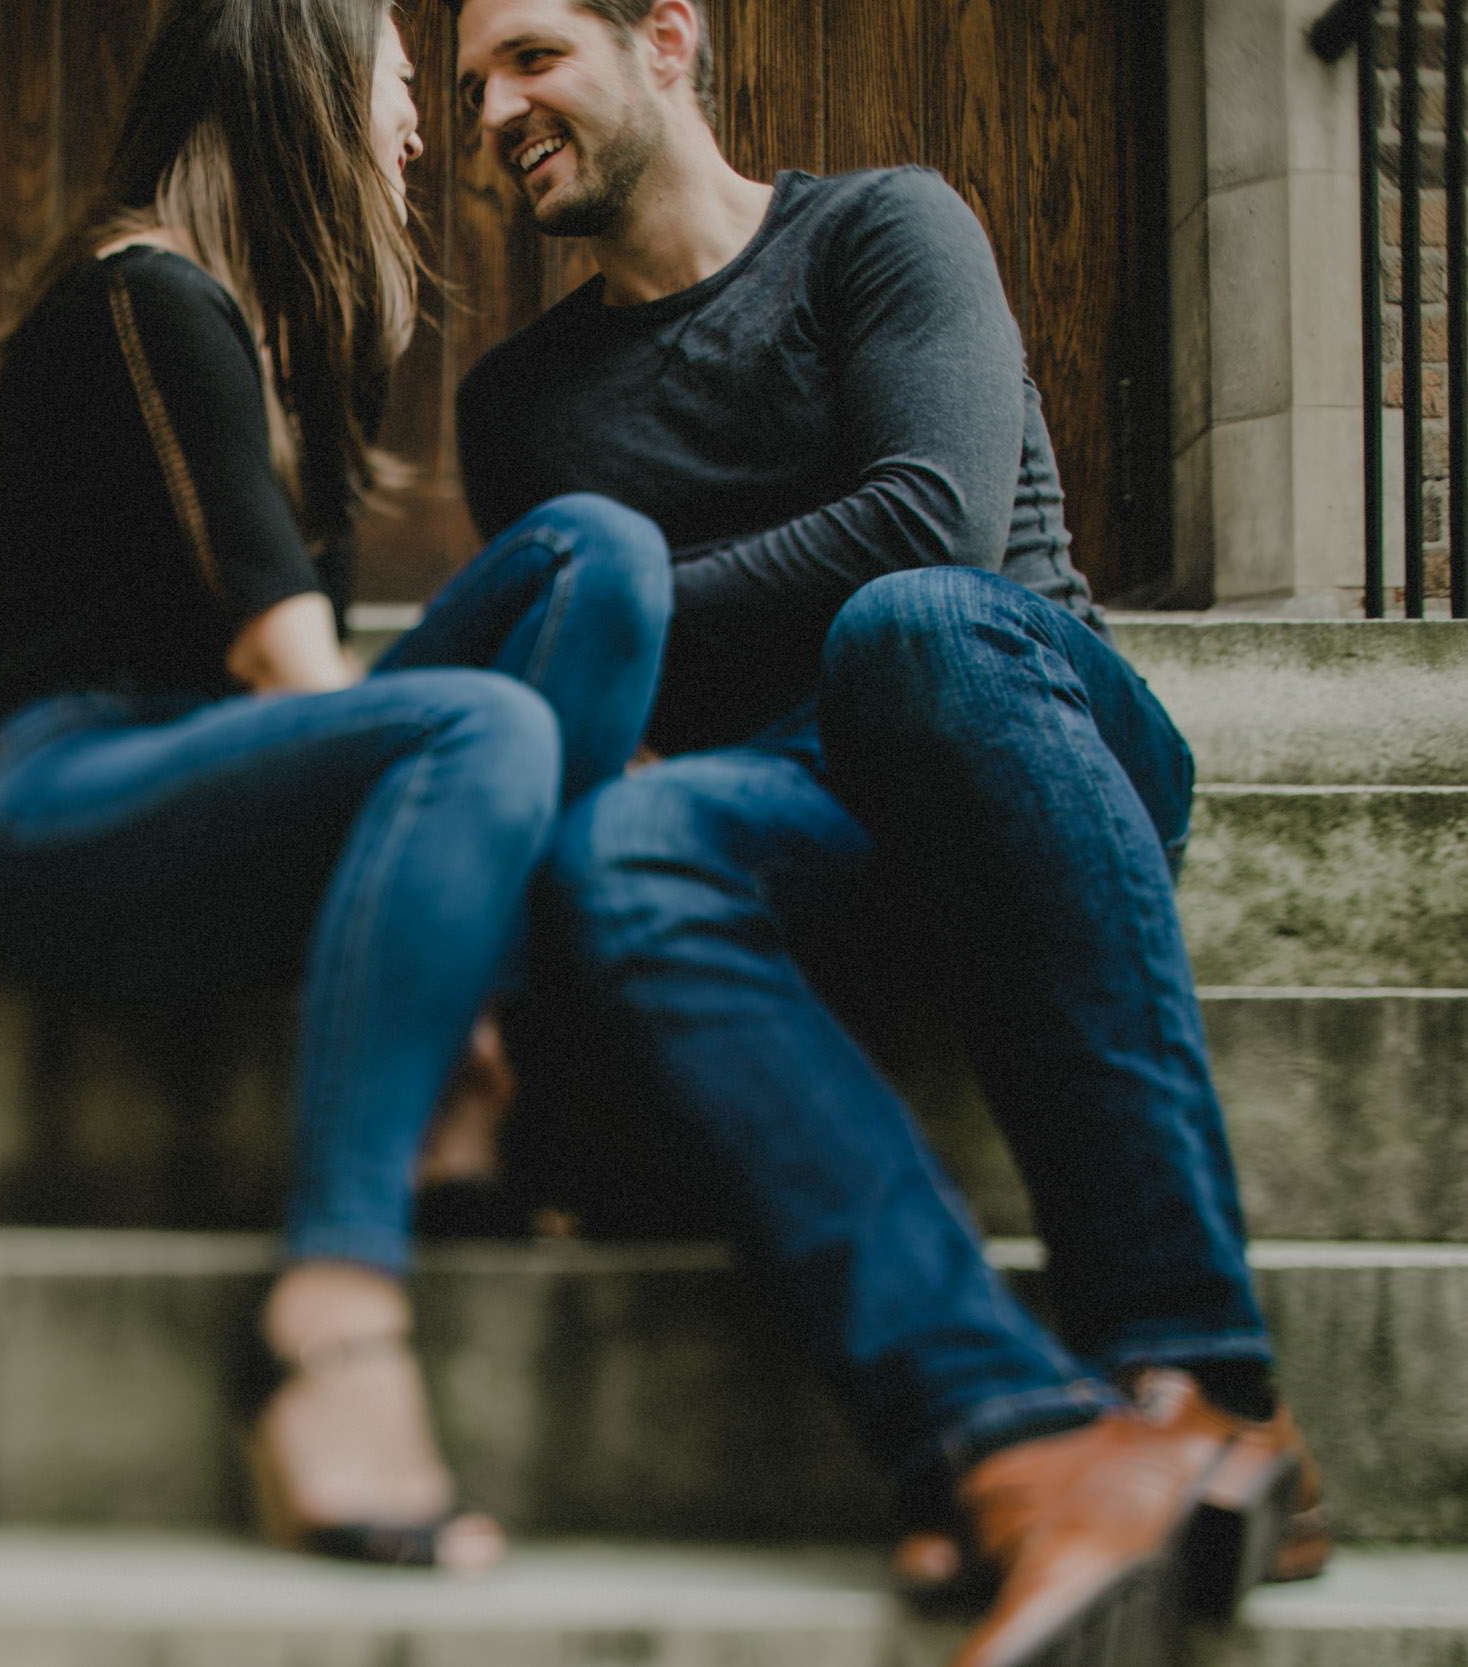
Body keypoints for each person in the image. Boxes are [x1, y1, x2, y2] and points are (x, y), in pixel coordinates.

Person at [445, 0, 1325, 1659]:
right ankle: (1020, 1437)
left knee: (909, 620)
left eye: (534, 54)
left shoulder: (881, 227)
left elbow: (931, 513)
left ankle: (1203, 1386)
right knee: (620, 854)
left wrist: (628, 611)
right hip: (792, 820)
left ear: (666, 41)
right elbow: (588, 698)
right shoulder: (520, 406)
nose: (495, 107)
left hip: (1014, 737)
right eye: (475, 80)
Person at [0, 0, 673, 1570]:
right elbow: (289, 666)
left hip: (218, 794)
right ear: (303, 92)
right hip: (67, 798)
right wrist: (458, 975)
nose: (425, 132)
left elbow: (311, 709)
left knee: (598, 560)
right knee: (479, 734)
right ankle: (330, 1304)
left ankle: (467, 1107)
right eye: (404, 89)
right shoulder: (145, 294)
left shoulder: (296, 347)